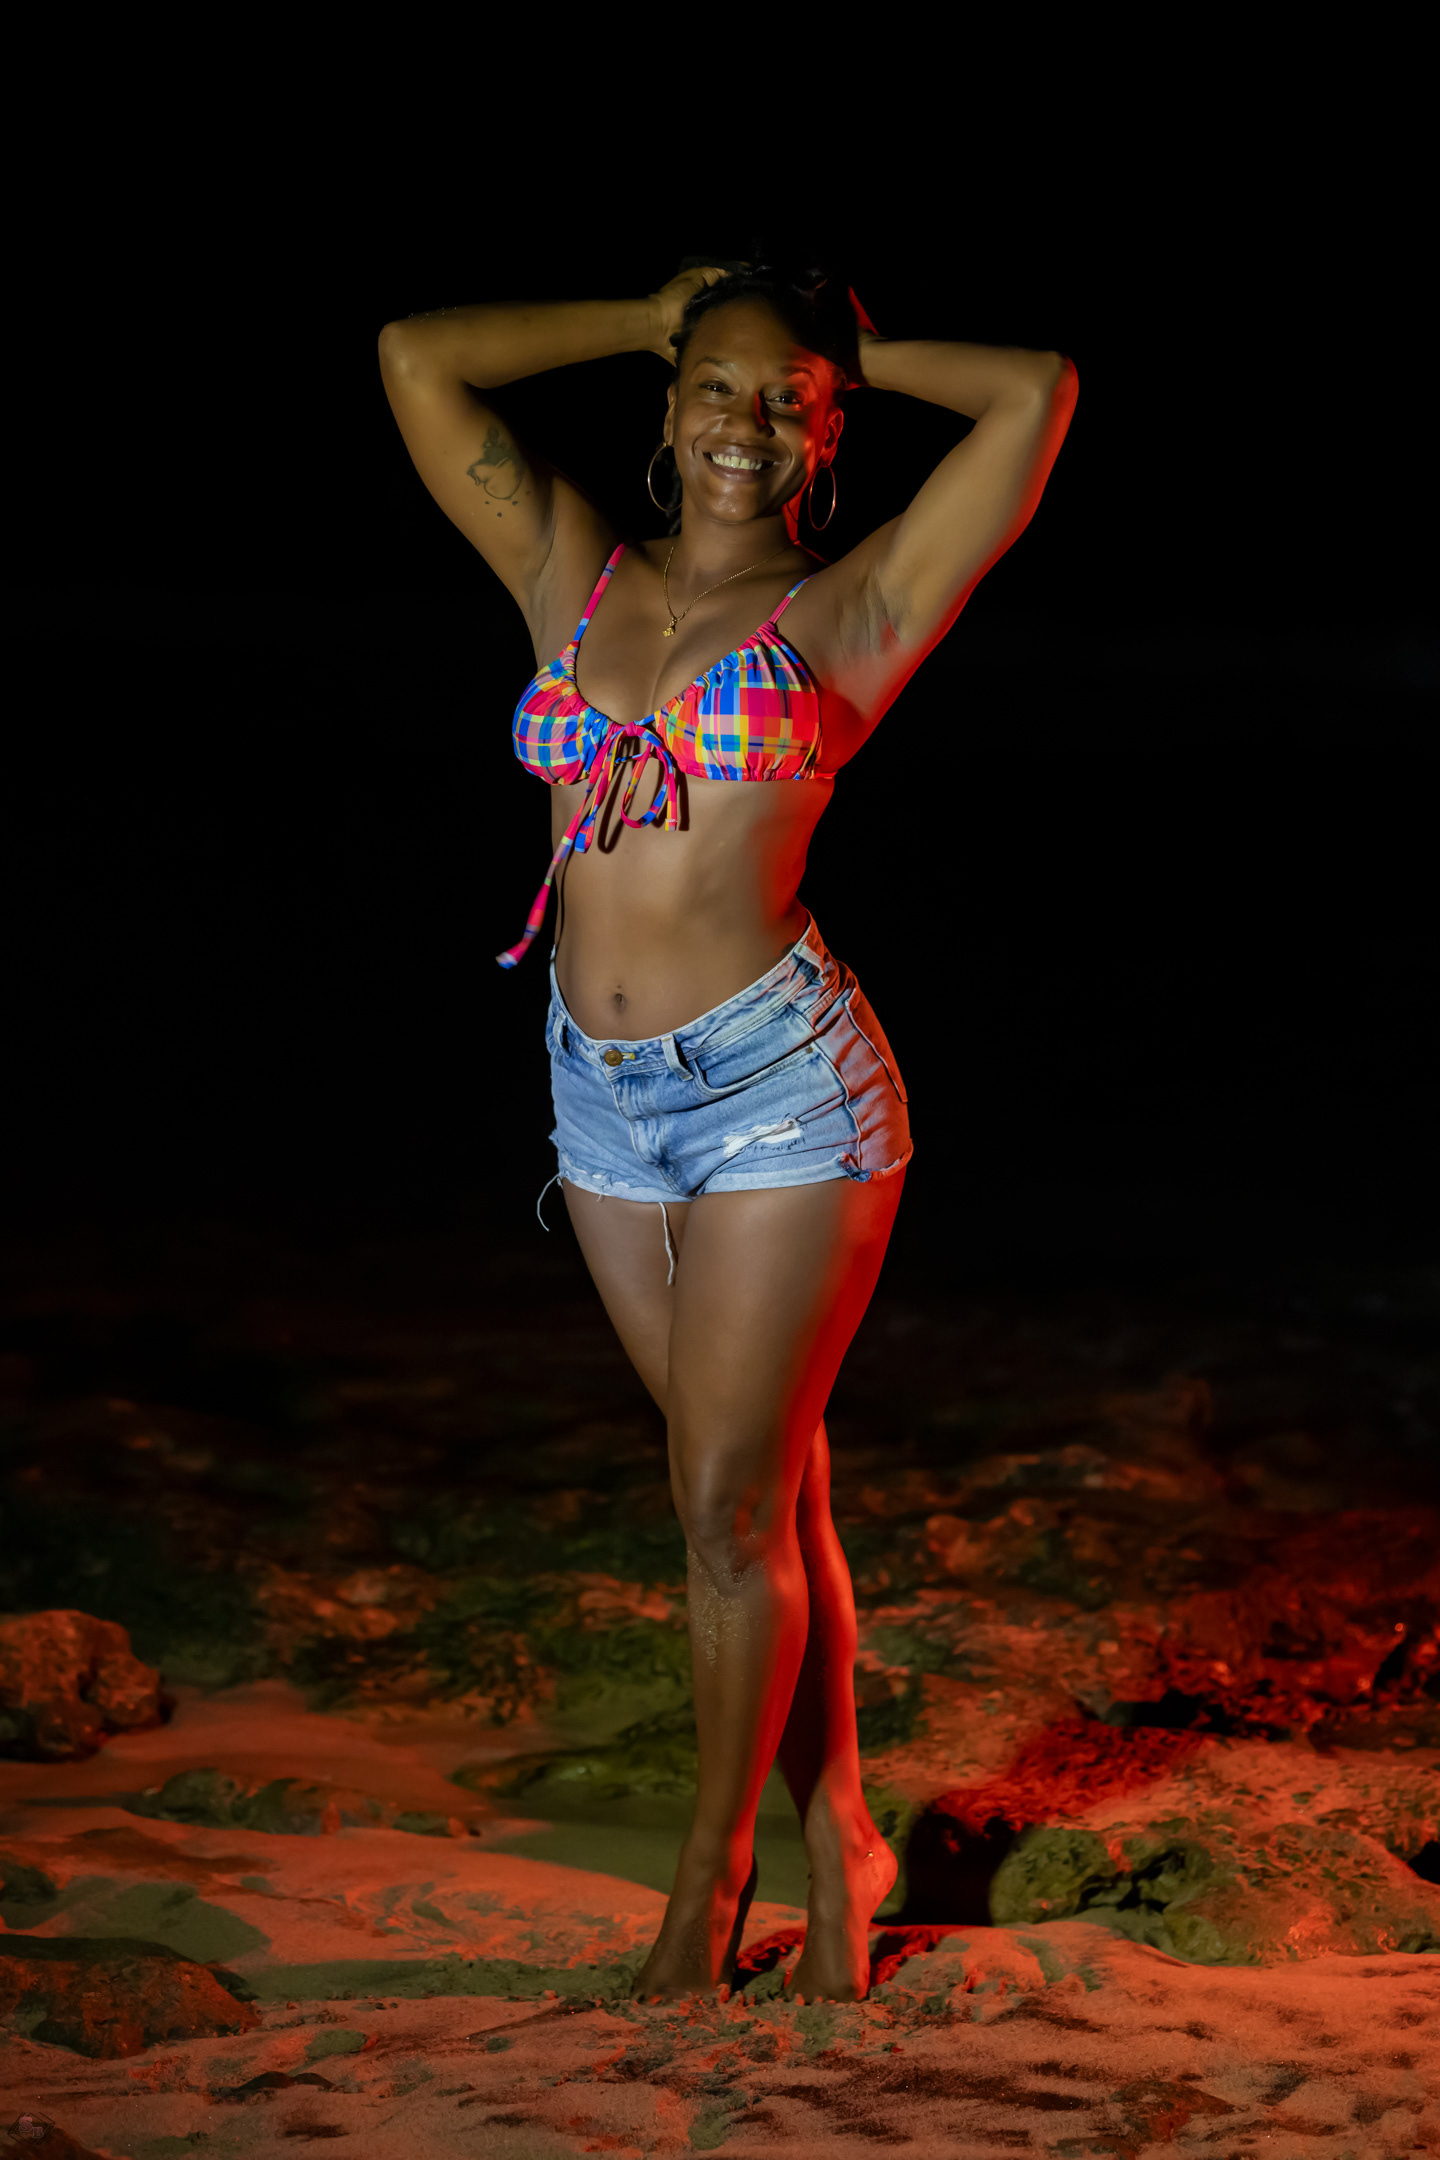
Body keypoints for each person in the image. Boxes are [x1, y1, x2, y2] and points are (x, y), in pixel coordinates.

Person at [378, 257, 1077, 2001]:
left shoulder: (854, 607)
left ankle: (705, 1892)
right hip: (599, 1101)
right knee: (762, 1499)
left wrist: (847, 351)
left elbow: (1038, 391)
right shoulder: (571, 570)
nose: (745, 423)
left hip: (782, 1096)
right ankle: (841, 1831)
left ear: (831, 432)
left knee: (717, 1511)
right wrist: (647, 316)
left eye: (788, 401)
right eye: (715, 386)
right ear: (667, 399)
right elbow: (415, 353)